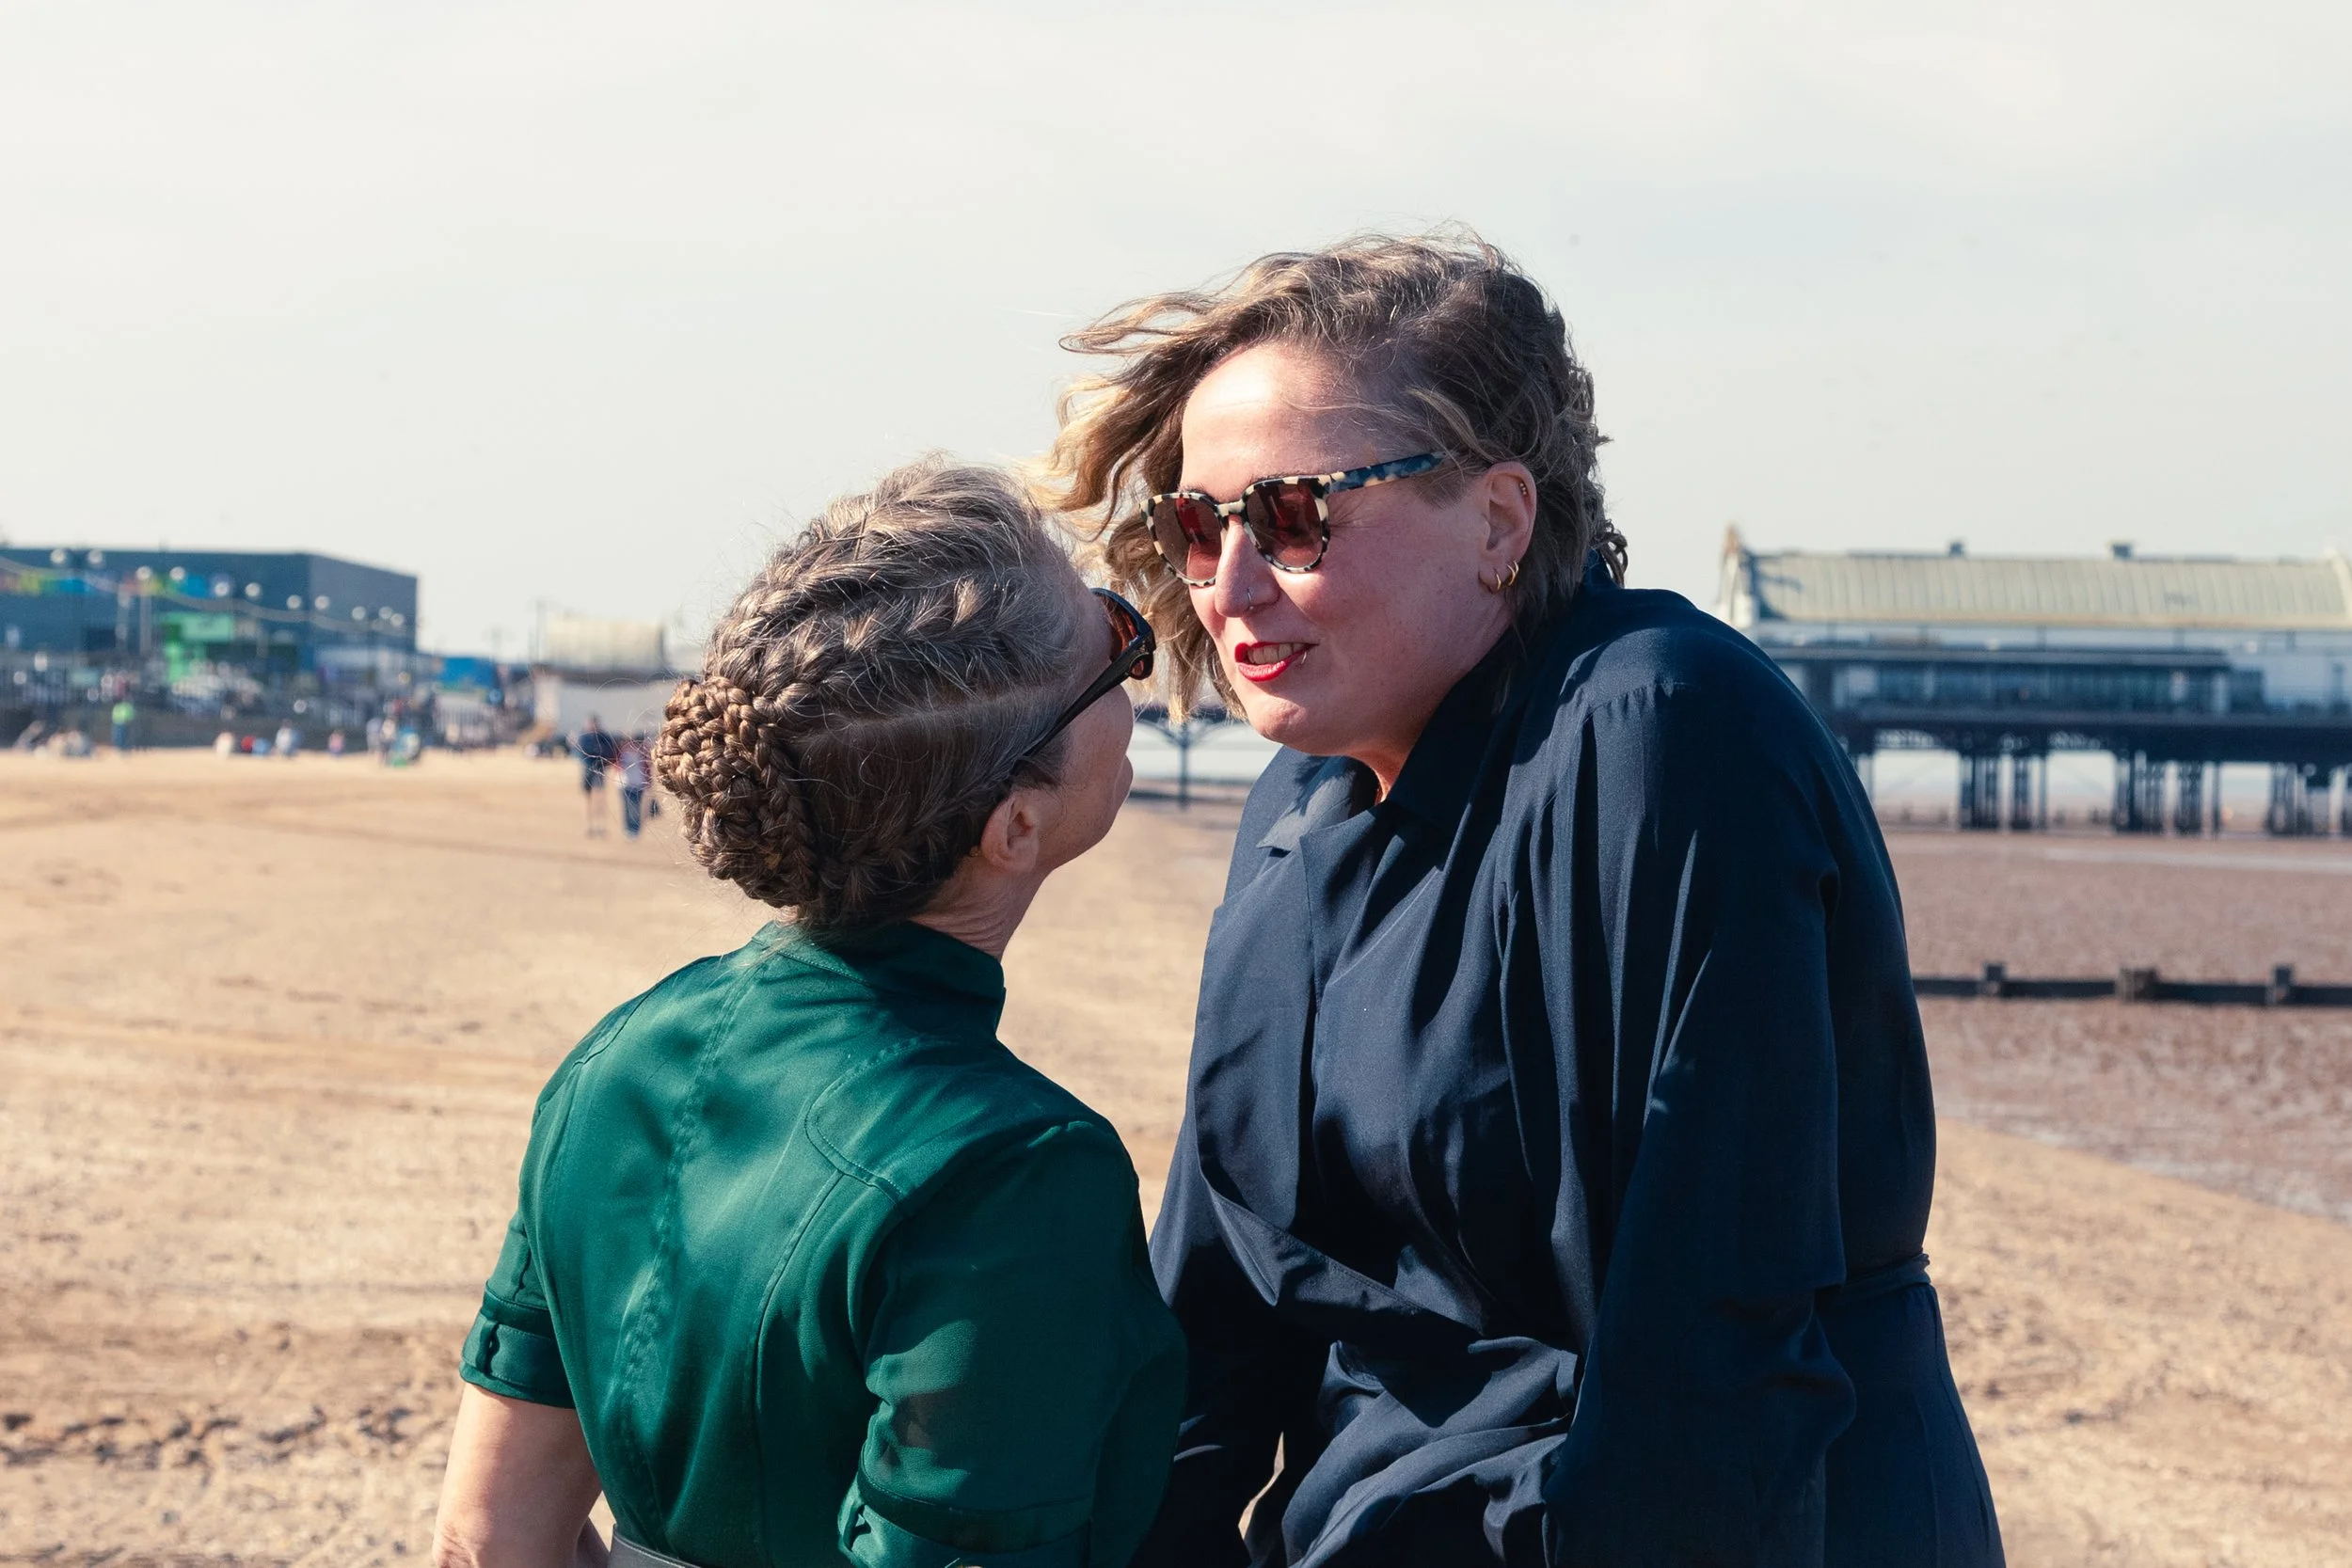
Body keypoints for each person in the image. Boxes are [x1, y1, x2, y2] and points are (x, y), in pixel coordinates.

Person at [1046, 233, 2003, 1566]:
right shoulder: (1297, 800)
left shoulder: (1663, 729)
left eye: (1296, 514)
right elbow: (1214, 1312)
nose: (1229, 585)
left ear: (1500, 519)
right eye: (1196, 528)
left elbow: (1712, 1340)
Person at [433, 459, 1184, 1568]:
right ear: (1014, 828)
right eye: (1120, 648)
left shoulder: (622, 1054)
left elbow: (487, 1535)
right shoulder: (1016, 1168)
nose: (1141, 676)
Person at [575, 715, 616, 835]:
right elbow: (584, 752)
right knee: (587, 799)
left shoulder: (603, 737)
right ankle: (589, 825)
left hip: (600, 769)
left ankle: (601, 825)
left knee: (600, 798)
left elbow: (610, 751)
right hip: (588, 770)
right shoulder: (584, 737)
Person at [615, 734, 650, 839]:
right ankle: (628, 828)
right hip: (625, 784)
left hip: (638, 784)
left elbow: (647, 769)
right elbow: (616, 764)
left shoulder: (642, 754)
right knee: (626, 807)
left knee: (636, 808)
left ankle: (635, 829)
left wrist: (649, 782)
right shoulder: (622, 753)